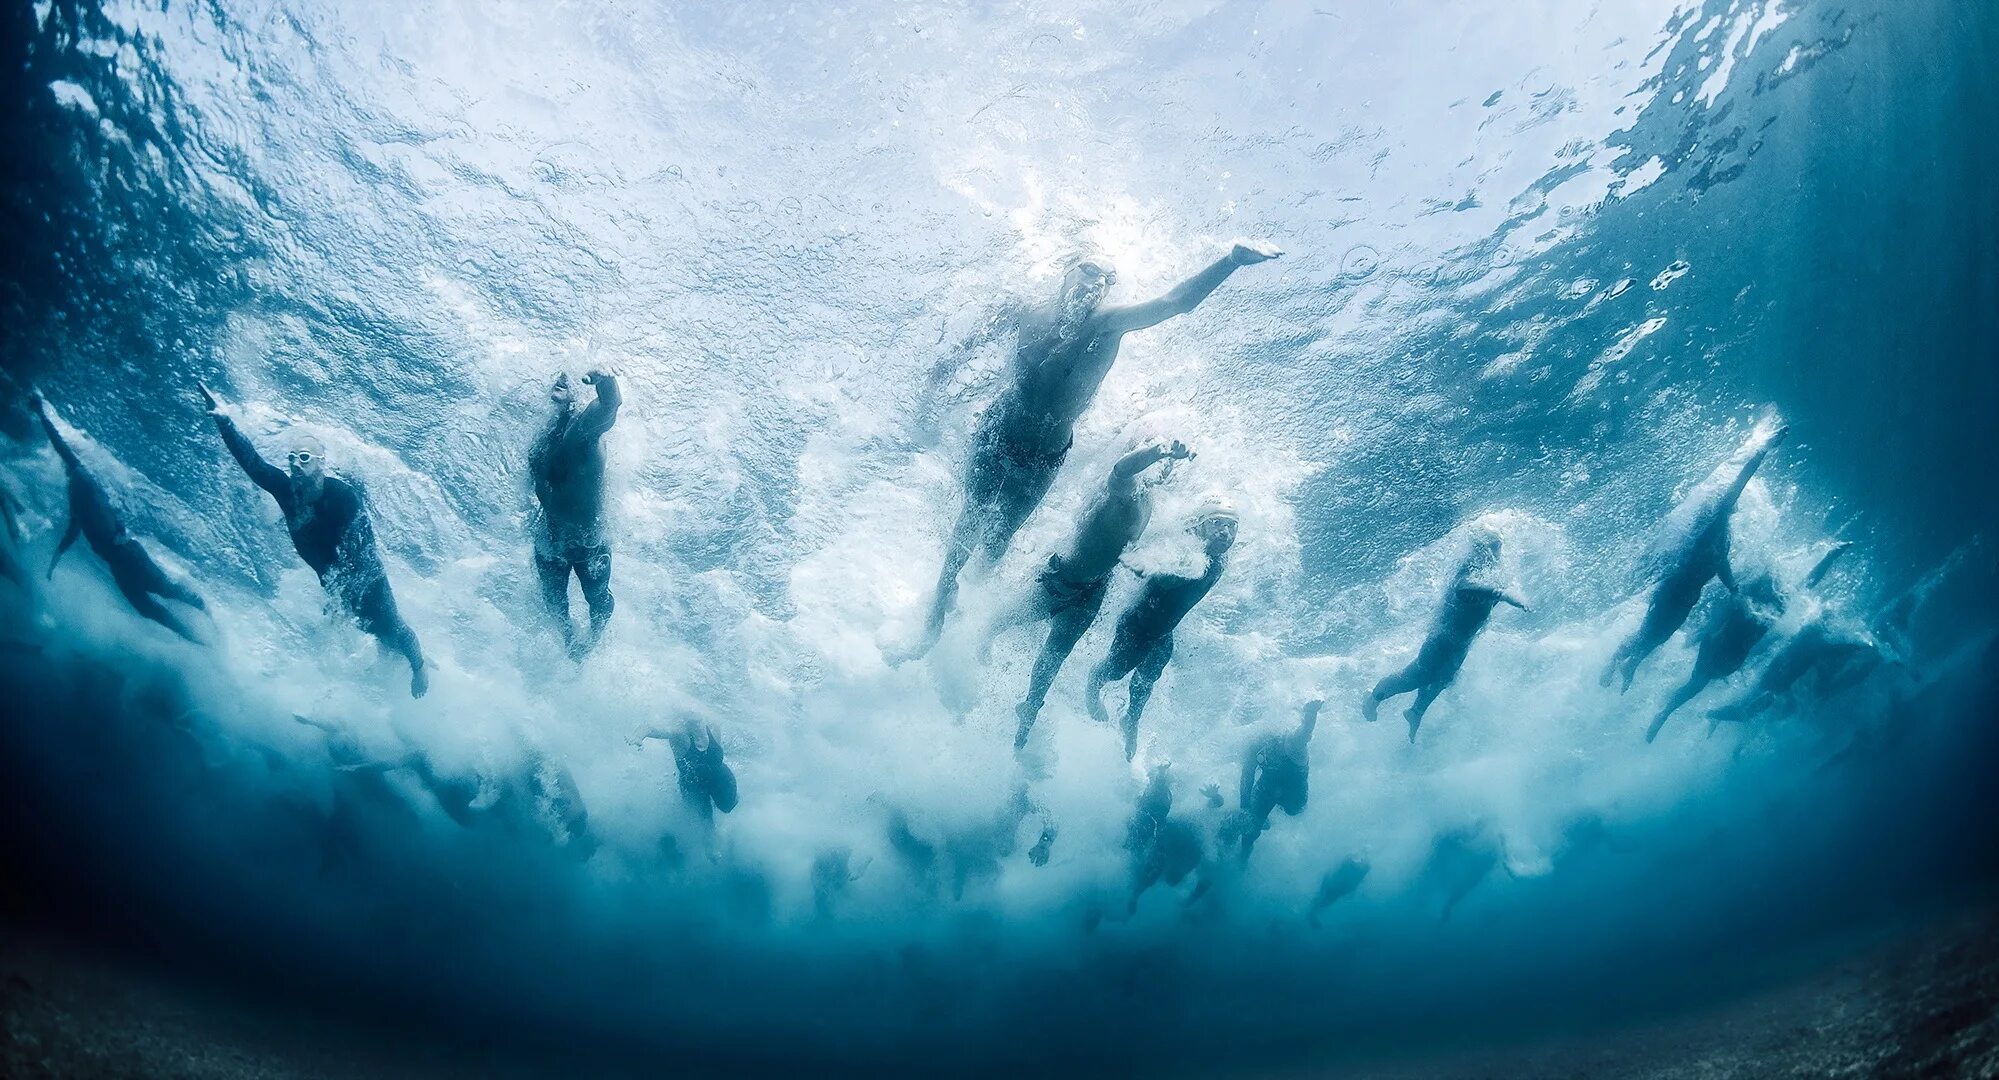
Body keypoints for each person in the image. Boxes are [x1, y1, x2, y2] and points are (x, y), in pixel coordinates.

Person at [895, 241, 1281, 662]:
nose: (1098, 283)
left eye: (1108, 279)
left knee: (1000, 536)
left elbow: (1174, 303)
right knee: (968, 519)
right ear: (1066, 270)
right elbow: (962, 352)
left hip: (1044, 452)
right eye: (1091, 270)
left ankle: (970, 602)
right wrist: (933, 391)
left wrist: (1230, 261)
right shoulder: (1021, 311)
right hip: (997, 428)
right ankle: (936, 614)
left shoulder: (1106, 324)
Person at [200, 383, 428, 696]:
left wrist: (341, 597)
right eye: (291, 457)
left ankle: (420, 668)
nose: (295, 462)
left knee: (391, 630)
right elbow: (252, 463)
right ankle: (382, 680)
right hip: (334, 582)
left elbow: (361, 556)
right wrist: (224, 420)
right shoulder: (286, 492)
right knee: (370, 637)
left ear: (321, 463)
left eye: (304, 457)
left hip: (369, 583)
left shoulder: (344, 499)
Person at [987, 438, 1193, 749]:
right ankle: (966, 661)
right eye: (1154, 463)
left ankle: (1027, 717)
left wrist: (1141, 563)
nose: (1161, 470)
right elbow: (1122, 470)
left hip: (1090, 594)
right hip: (1059, 580)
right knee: (992, 627)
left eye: (1164, 467)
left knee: (1053, 659)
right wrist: (1155, 452)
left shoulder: (1148, 503)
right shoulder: (1121, 491)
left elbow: (1127, 548)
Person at [1603, 418, 1788, 692]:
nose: (1736, 507)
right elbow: (1738, 483)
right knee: (1646, 635)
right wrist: (1764, 448)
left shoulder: (1723, 537)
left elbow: (1720, 563)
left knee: (1659, 638)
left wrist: (1733, 586)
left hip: (1687, 599)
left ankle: (1631, 665)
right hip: (1672, 593)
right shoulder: (1713, 526)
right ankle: (1614, 662)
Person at [36, 394, 205, 642]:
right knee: (146, 609)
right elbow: (72, 531)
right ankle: (196, 638)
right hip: (116, 562)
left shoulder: (83, 476)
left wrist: (41, 412)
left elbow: (61, 447)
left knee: (166, 590)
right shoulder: (75, 493)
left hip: (127, 553)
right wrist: (54, 561)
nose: (63, 465)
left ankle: (207, 614)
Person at [1645, 542, 1848, 742]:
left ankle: (1670, 714)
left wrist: (1830, 557)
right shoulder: (1761, 602)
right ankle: (1666, 714)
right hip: (1721, 653)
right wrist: (1830, 556)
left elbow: (1807, 582)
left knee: (1695, 685)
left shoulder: (1768, 602)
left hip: (1725, 655)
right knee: (1695, 685)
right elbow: (1806, 583)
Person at [1088, 502, 1239, 760]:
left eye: (1232, 526)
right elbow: (1167, 571)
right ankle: (1093, 684)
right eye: (1216, 523)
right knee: (1117, 670)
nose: (1225, 532)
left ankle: (1130, 721)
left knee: (1146, 682)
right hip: (1136, 626)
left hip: (1163, 632)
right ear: (1199, 526)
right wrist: (1151, 566)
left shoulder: (1219, 559)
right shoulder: (1190, 552)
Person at [1363, 529, 1526, 742]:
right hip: (1441, 642)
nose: (1497, 554)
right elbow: (1463, 587)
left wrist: (1500, 593)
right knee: (1415, 677)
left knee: (1445, 678)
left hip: (1460, 645)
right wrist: (1501, 595)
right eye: (1493, 548)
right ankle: (1373, 699)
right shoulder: (1468, 571)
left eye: (1499, 548)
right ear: (1480, 549)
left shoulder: (1490, 573)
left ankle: (1415, 712)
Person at [530, 369, 621, 657]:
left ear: (578, 393)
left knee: (597, 599)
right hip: (549, 540)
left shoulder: (584, 429)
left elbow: (610, 406)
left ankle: (593, 641)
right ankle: (571, 646)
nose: (559, 381)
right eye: (557, 377)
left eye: (567, 379)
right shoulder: (544, 435)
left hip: (588, 543)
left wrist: (606, 381)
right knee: (554, 604)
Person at [1235, 700, 1320, 863]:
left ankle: (1265, 820)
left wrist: (1311, 714)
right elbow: (1246, 776)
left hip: (1294, 791)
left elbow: (1305, 732)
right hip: (1267, 786)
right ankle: (1243, 856)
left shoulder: (1291, 741)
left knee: (1294, 810)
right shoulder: (1254, 744)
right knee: (1249, 830)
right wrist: (1245, 810)